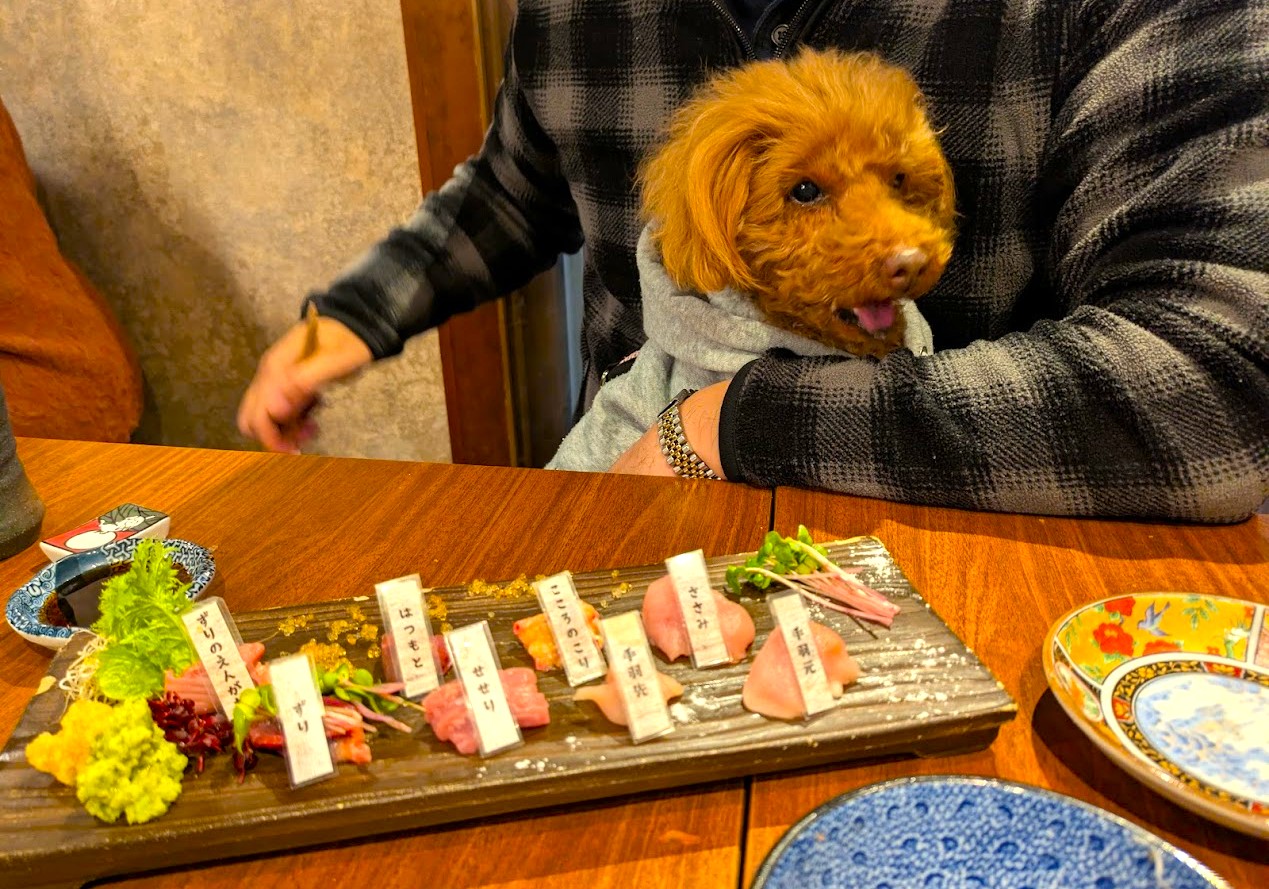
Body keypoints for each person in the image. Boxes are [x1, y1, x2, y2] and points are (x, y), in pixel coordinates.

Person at [238, 0, 1269, 523]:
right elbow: (518, 185)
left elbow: (1225, 374)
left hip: (959, 537)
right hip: (632, 501)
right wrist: (361, 312)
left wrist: (739, 424)